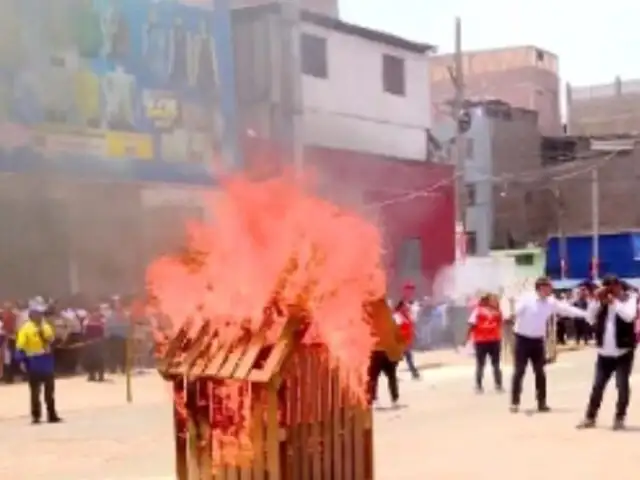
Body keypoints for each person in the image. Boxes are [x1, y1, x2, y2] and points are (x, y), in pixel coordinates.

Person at [510, 276, 591, 413]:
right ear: (541, 287)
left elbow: (566, 309)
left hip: (537, 341)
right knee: (519, 372)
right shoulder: (527, 299)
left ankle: (542, 403)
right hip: (522, 339)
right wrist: (512, 314)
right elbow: (516, 311)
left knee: (540, 373)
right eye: (549, 287)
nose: (551, 289)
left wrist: (586, 315)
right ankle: (515, 402)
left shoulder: (550, 302)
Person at [577, 275, 638, 430]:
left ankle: (619, 418)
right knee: (597, 386)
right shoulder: (601, 301)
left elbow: (629, 316)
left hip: (623, 352)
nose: (611, 291)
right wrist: (595, 301)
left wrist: (614, 301)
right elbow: (590, 319)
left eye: (613, 287)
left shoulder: (629, 298)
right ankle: (590, 417)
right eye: (607, 288)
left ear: (619, 286)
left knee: (622, 385)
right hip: (604, 353)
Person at [15, 300, 62, 424]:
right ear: (32, 314)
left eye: (41, 313)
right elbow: (20, 347)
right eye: (38, 313)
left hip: (46, 362)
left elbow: (52, 340)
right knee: (35, 392)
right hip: (33, 362)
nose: (40, 315)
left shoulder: (46, 326)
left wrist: (50, 341)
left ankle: (52, 414)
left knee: (49, 391)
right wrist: (21, 361)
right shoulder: (25, 329)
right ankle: (36, 415)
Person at [366, 297, 405, 409]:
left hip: (377, 350)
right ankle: (394, 399)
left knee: (373, 377)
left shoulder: (371, 312)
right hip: (386, 350)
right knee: (390, 377)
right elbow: (395, 331)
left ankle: (374, 400)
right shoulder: (386, 314)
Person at [467, 293, 503, 394]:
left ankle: (479, 386)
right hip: (494, 340)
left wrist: (466, 338)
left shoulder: (477, 310)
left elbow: (471, 325)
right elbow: (500, 324)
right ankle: (498, 385)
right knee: (495, 364)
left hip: (481, 341)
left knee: (480, 364)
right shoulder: (497, 311)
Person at [394, 283, 421, 380]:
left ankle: (414, 372)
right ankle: (414, 372)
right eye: (408, 289)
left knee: (406, 355)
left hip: (405, 338)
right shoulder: (399, 314)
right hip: (401, 339)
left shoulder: (408, 312)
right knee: (403, 355)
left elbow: (411, 324)